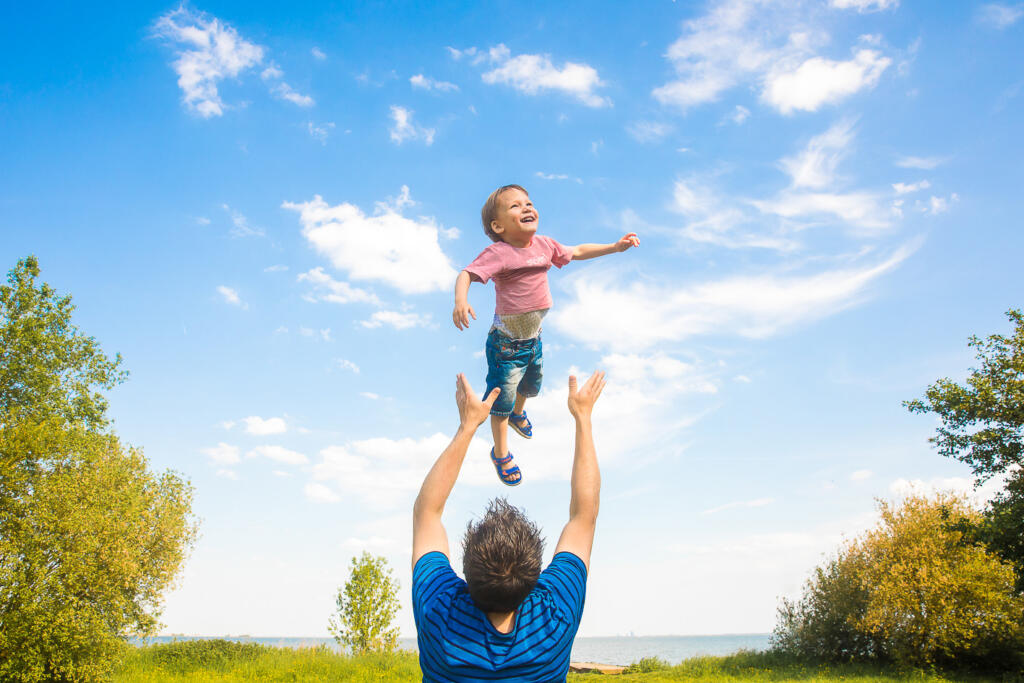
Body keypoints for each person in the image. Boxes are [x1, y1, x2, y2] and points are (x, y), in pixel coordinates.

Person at [411, 370, 607, 682]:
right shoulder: (554, 618)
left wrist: (467, 427)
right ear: (534, 576)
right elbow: (584, 517)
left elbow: (427, 514)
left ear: (466, 570)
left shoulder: (440, 615)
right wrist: (582, 416)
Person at [452, 184, 637, 486]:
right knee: (500, 401)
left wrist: (614, 247)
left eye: (528, 203)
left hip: (533, 339)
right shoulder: (499, 253)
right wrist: (461, 300)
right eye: (515, 206)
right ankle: (500, 452)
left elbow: (576, 251)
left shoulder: (545, 245)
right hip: (506, 346)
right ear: (497, 226)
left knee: (532, 384)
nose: (526, 208)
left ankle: (518, 414)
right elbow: (467, 274)